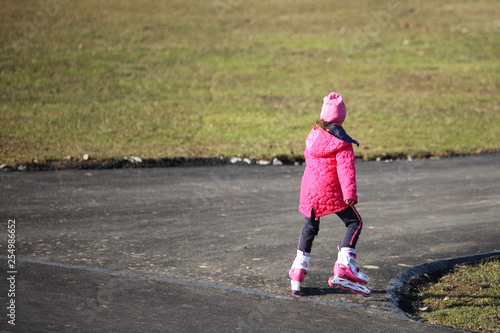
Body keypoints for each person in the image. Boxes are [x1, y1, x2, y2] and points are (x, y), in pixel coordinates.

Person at [288, 92, 371, 297]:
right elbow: (346, 170)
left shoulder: (313, 134)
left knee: (310, 228)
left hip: (309, 190)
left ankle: (297, 273)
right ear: (341, 117)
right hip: (331, 191)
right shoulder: (342, 141)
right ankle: (344, 263)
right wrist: (349, 193)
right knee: (355, 222)